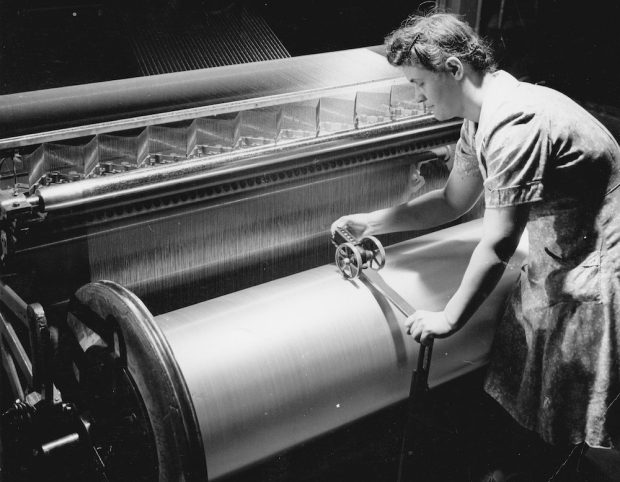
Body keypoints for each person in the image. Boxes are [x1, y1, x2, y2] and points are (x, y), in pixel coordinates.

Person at [331, 10, 620, 481]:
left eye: (418, 84)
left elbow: (499, 238)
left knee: (580, 418)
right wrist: (371, 224)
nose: (417, 96)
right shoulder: (481, 118)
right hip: (559, 257)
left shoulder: (515, 126)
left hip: (599, 274)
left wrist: (448, 318)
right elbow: (452, 201)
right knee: (539, 401)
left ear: (453, 69)